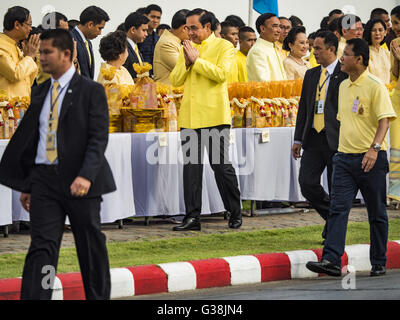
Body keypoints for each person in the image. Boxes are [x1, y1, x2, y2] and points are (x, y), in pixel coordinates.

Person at [0, 28, 116, 299]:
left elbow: (98, 138)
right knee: (42, 248)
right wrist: (28, 183)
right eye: (39, 52)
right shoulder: (40, 92)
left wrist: (86, 175)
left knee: (89, 247)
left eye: (46, 52)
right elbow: (33, 140)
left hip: (81, 183)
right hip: (44, 182)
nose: (41, 57)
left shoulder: (91, 91)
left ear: (66, 54)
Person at [306, 38, 397, 277]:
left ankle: (378, 261)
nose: (342, 58)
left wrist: (374, 149)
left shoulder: (375, 86)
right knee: (338, 209)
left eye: (346, 54)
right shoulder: (343, 86)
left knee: (376, 212)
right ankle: (331, 260)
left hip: (371, 160)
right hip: (344, 159)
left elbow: (384, 120)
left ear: (359, 59)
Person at [170, 9, 241, 231]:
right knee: (191, 169)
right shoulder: (187, 48)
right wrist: (189, 61)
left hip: (214, 116)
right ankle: (192, 217)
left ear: (207, 27)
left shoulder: (224, 46)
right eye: (187, 28)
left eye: (193, 28)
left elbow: (221, 74)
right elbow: (175, 80)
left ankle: (234, 210)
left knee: (220, 166)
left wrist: (197, 60)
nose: (189, 32)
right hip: (190, 117)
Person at [292, 31, 348, 243]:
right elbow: (303, 109)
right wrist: (298, 139)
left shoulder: (344, 75)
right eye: (313, 47)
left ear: (332, 49)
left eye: (318, 48)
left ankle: (333, 231)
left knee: (337, 188)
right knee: (307, 183)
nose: (313, 52)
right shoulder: (312, 74)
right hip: (313, 138)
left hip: (337, 139)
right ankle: (333, 219)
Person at [0, 6, 39, 99]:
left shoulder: (15, 46)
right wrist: (29, 56)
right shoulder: (2, 45)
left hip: (21, 106)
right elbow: (15, 74)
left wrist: (30, 57)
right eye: (29, 24)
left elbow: (28, 81)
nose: (30, 29)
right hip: (7, 109)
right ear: (17, 25)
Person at [70, 6, 109, 79]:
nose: (100, 33)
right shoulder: (70, 39)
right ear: (90, 24)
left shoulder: (88, 42)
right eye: (99, 28)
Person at [247, 13, 287, 82]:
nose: (279, 30)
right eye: (275, 26)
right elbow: (263, 83)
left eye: (279, 26)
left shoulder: (274, 48)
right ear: (262, 29)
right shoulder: (257, 51)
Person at [153, 9, 189, 85]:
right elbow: (183, 69)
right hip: (168, 94)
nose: (192, 33)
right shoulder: (167, 44)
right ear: (184, 28)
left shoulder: (175, 41)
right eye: (191, 28)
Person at [388, 6, 400, 205]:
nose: (393, 26)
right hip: (398, 96)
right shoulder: (394, 43)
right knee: (397, 145)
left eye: (396, 22)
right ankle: (396, 193)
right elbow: (394, 75)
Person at [123, 12, 149, 81]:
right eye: (144, 30)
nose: (146, 34)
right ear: (133, 30)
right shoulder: (122, 48)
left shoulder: (135, 47)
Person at [363, 18, 390, 84]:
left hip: (388, 92)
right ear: (368, 32)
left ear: (385, 32)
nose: (377, 33)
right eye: (374, 30)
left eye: (380, 30)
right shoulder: (364, 52)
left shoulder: (387, 53)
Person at [138, 4, 162, 69]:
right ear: (145, 16)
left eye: (158, 18)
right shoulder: (138, 36)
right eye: (153, 17)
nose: (155, 20)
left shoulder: (158, 39)